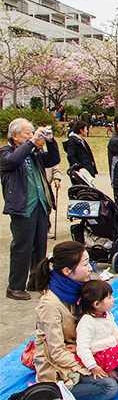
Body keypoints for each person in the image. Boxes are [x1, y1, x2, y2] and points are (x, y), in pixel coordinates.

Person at [31, 242, 118, 400]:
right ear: (67, 271)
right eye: (85, 264)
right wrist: (91, 366)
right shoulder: (50, 304)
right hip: (61, 366)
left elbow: (102, 324)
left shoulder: (80, 290)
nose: (90, 268)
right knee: (109, 387)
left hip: (83, 351)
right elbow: (56, 353)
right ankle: (52, 394)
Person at [1, 119, 60, 300]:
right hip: (22, 206)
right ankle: (15, 286)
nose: (31, 135)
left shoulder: (34, 153)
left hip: (40, 204)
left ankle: (36, 280)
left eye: (32, 132)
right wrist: (31, 142)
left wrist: (50, 141)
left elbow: (53, 159)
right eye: (27, 132)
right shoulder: (6, 152)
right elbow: (14, 161)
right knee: (22, 247)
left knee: (40, 246)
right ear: (15, 136)